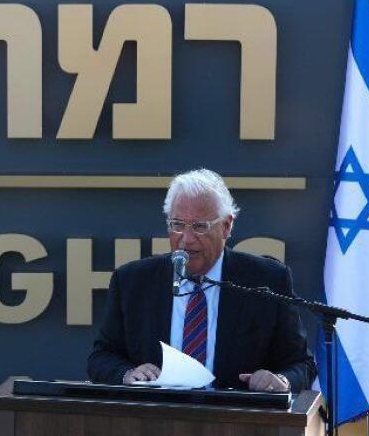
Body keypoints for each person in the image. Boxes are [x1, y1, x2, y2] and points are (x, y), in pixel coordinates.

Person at [87, 168, 317, 392]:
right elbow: (101, 358)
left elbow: (301, 365)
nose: (186, 239)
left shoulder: (266, 280)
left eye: (199, 227)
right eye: (177, 225)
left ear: (226, 226)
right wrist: (127, 374)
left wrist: (280, 381)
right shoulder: (133, 282)